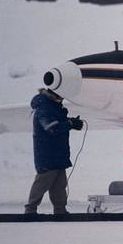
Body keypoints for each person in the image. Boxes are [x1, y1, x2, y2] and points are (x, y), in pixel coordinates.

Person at [24, 88, 84, 216]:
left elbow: (57, 123)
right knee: (43, 182)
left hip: (58, 153)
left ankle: (60, 210)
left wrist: (70, 122)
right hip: (47, 154)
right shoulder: (44, 107)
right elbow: (51, 127)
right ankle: (30, 210)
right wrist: (70, 123)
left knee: (60, 184)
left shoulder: (53, 106)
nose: (62, 99)